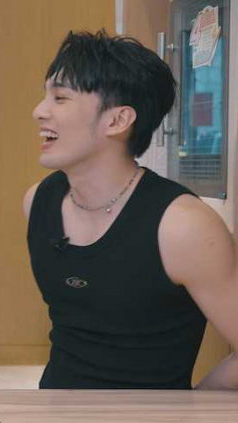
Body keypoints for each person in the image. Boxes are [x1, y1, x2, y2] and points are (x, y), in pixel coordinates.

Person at [25, 30, 238, 389]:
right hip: (53, 413)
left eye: (60, 98)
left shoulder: (183, 225)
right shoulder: (38, 202)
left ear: (118, 120)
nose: (39, 111)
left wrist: (194, 407)